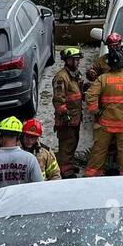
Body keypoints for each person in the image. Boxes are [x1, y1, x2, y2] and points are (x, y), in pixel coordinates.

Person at [84, 50, 123, 176]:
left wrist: (96, 111)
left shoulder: (103, 78)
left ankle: (91, 175)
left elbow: (90, 96)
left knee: (99, 150)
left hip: (105, 123)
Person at [0, 117, 43, 200]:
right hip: (24, 208)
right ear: (19, 136)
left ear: (0, 136)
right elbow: (40, 188)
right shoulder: (30, 159)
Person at [51, 47, 85, 177]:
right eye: (76, 60)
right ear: (68, 60)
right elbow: (59, 100)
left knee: (73, 142)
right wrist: (64, 116)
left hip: (75, 118)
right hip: (67, 119)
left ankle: (69, 165)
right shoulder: (61, 77)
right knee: (66, 145)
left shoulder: (74, 74)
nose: (78, 62)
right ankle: (65, 171)